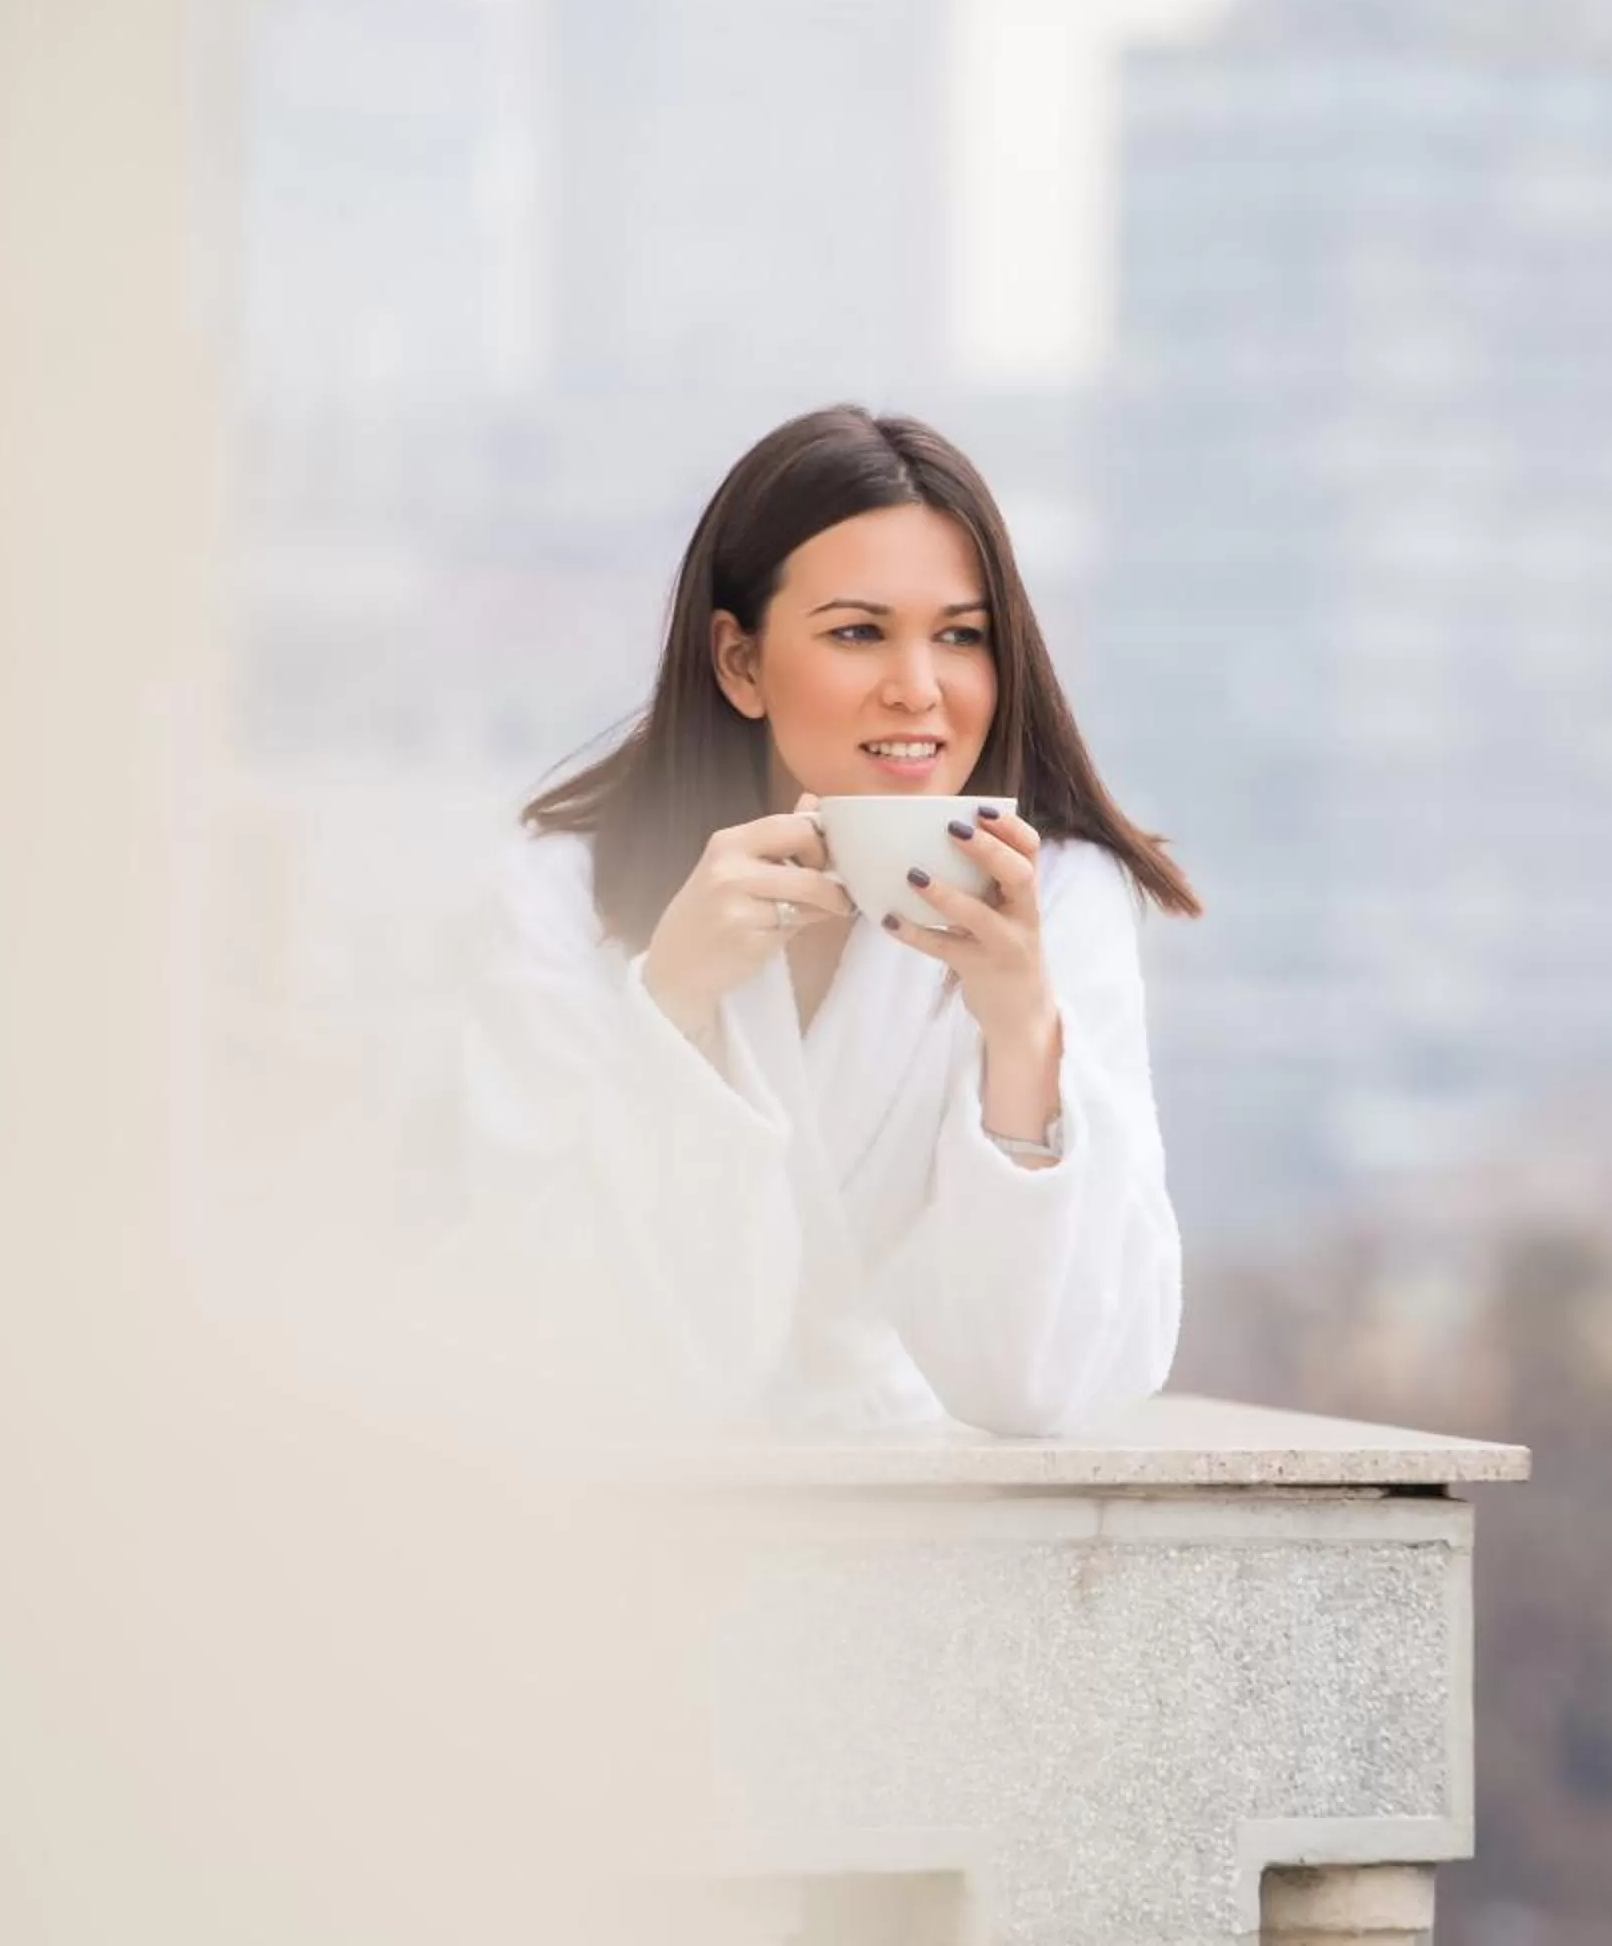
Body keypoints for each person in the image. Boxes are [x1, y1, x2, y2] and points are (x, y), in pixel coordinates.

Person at [447, 405, 1200, 1441]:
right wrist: (673, 1007)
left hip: (924, 1521)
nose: (918, 689)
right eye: (858, 632)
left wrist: (1021, 1032)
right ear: (739, 662)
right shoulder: (563, 892)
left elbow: (1047, 1384)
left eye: (962, 636)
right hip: (616, 1529)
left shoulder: (1056, 892)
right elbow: (557, 1334)